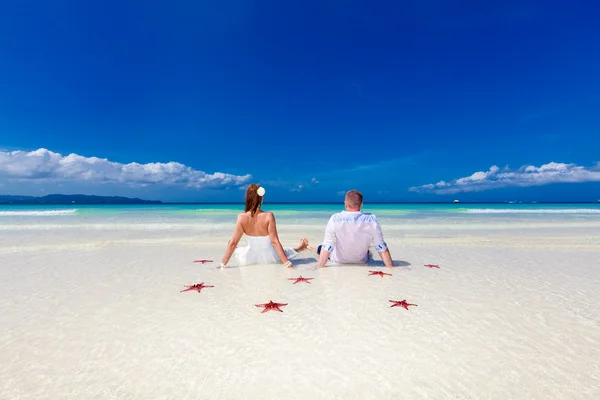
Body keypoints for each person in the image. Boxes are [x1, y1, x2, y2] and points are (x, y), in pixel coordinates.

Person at [218, 184, 308, 268]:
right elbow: (275, 242)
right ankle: (299, 248)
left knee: (233, 245)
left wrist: (223, 264)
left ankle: (237, 251)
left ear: (247, 198)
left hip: (250, 258)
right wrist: (287, 263)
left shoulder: (241, 217)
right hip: (270, 257)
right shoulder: (269, 216)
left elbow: (233, 243)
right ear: (261, 198)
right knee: (286, 251)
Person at [311, 190, 394, 268]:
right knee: (369, 252)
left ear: (345, 203)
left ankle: (308, 247)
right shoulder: (371, 220)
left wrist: (319, 267)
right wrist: (391, 267)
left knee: (321, 247)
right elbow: (381, 247)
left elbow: (327, 246)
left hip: (338, 260)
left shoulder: (335, 219)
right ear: (361, 204)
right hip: (361, 261)